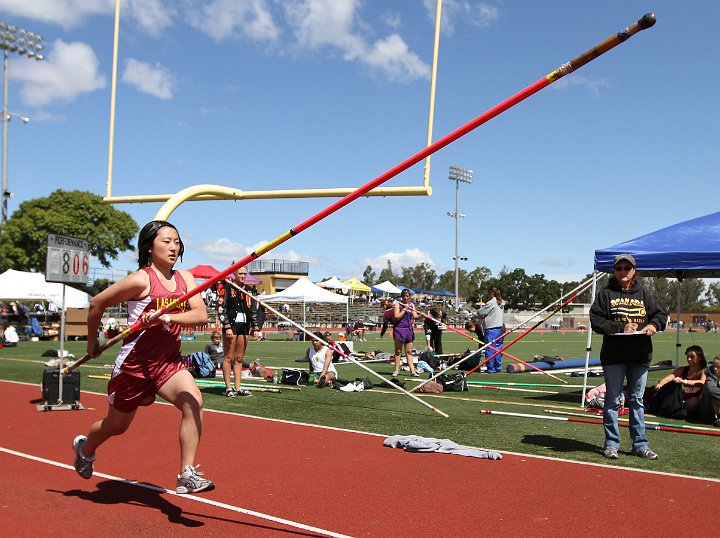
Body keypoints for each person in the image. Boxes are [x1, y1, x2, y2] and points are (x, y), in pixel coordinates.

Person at [72, 220, 214, 494]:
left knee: (193, 403)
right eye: (166, 241)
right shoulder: (140, 280)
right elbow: (96, 303)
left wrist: (166, 317)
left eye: (177, 241)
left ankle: (187, 474)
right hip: (135, 366)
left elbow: (201, 315)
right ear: (149, 247)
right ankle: (85, 448)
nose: (174, 247)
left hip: (167, 363)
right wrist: (92, 341)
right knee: (116, 426)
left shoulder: (185, 278)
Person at [589, 253, 668, 460]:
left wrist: (653, 325)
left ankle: (640, 445)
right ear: (614, 271)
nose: (622, 272)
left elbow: (661, 315)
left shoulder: (644, 294)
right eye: (619, 268)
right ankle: (611, 444)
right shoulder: (605, 294)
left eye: (627, 268)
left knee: (636, 400)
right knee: (613, 400)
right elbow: (596, 320)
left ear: (634, 270)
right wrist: (620, 327)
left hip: (640, 355)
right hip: (614, 356)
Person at [216, 266, 258, 397]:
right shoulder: (227, 288)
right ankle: (228, 388)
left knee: (239, 358)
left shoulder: (249, 290)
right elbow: (221, 308)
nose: (243, 276)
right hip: (232, 325)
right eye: (240, 273)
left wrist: (255, 327)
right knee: (229, 357)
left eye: (245, 274)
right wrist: (227, 326)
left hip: (244, 326)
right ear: (235, 273)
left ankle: (238, 387)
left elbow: (253, 310)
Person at [649, 345, 706, 418]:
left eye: (692, 357)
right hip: (683, 398)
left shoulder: (703, 371)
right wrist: (660, 384)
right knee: (672, 385)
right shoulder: (683, 369)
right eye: (687, 357)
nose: (689, 359)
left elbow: (702, 382)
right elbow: (669, 378)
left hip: (696, 400)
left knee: (694, 401)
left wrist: (683, 381)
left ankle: (679, 411)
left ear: (700, 358)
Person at [474, 287, 505, 373]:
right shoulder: (500, 302)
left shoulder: (491, 302)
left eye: (488, 293)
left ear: (491, 293)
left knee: (490, 348)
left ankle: (491, 368)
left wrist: (472, 315)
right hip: (500, 328)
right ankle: (498, 367)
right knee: (498, 349)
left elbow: (481, 312)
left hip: (491, 328)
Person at [392, 289, 421, 377]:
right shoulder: (398, 304)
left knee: (409, 351)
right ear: (402, 296)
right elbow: (397, 317)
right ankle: (396, 370)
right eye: (404, 296)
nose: (406, 297)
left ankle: (412, 371)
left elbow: (415, 316)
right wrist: (405, 309)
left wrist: (421, 315)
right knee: (398, 351)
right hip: (399, 329)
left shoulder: (411, 305)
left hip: (408, 330)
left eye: (407, 296)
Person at [699, 354, 720, 427]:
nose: (715, 369)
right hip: (708, 410)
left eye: (718, 367)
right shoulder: (711, 374)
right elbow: (711, 390)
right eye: (714, 366)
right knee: (714, 396)